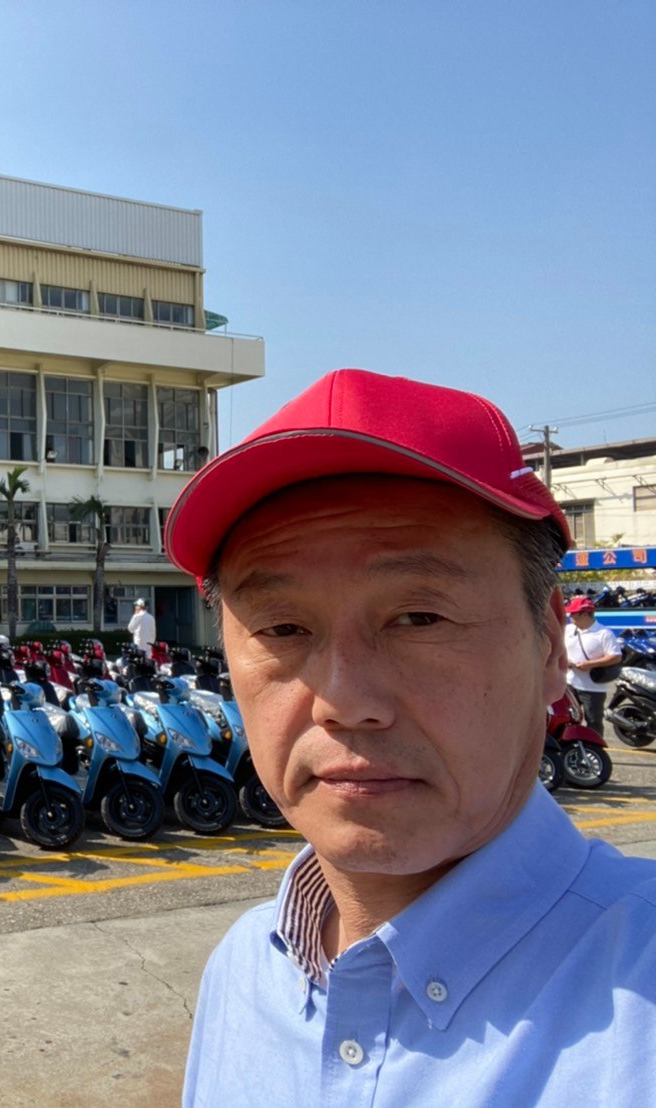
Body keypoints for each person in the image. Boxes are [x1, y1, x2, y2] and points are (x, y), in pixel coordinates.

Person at [167, 369, 656, 1104]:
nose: (344, 702)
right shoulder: (242, 974)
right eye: (283, 627)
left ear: (551, 643)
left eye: (419, 618)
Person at [564, 595, 622, 734]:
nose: (570, 616)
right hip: (570, 683)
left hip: (593, 688)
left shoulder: (604, 633)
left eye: (573, 613)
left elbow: (616, 656)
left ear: (585, 614)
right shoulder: (568, 630)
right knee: (567, 719)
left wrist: (591, 664)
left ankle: (594, 746)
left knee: (593, 721)